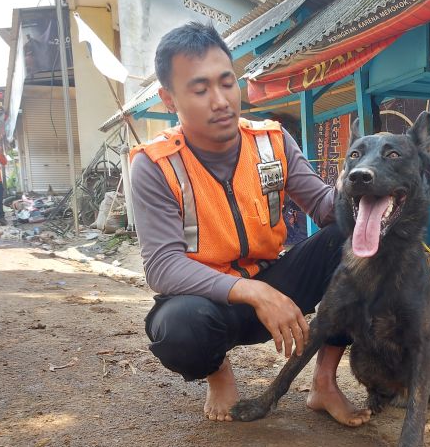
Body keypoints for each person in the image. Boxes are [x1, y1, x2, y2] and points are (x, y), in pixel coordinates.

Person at [130, 22, 371, 426]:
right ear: (168, 99)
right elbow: (161, 267)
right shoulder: (155, 165)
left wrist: (362, 178)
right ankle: (217, 372)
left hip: (276, 281)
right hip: (209, 302)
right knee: (178, 329)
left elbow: (328, 211)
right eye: (200, 89)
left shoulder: (270, 141)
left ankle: (324, 382)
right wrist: (253, 292)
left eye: (227, 83)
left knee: (357, 239)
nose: (221, 101)